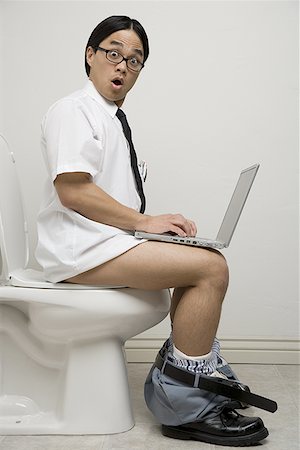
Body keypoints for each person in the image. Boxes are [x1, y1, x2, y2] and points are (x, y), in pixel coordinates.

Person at [35, 15, 271, 446]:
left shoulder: (111, 119)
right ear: (90, 55)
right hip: (76, 251)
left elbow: (107, 198)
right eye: (113, 53)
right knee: (210, 269)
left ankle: (183, 372)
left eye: (135, 60)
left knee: (197, 261)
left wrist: (157, 230)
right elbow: (73, 192)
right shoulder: (74, 111)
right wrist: (145, 224)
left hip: (100, 244)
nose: (123, 66)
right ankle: (185, 406)